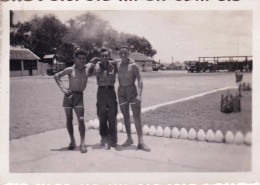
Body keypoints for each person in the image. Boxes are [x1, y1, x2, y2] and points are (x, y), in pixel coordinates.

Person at [96, 46, 151, 152]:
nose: (123, 55)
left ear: (129, 53)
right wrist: (98, 63)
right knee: (126, 116)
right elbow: (102, 60)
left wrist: (139, 94)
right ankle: (129, 138)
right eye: (121, 53)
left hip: (132, 92)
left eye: (125, 53)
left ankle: (141, 141)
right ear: (119, 54)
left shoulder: (133, 65)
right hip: (121, 93)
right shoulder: (117, 63)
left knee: (136, 116)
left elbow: (140, 80)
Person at [54, 49, 95, 153]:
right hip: (68, 96)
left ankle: (83, 143)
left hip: (79, 97)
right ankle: (72, 141)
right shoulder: (70, 70)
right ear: (75, 59)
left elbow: (95, 60)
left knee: (81, 119)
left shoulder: (87, 67)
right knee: (69, 120)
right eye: (79, 58)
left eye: (84, 58)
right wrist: (62, 88)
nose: (82, 60)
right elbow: (56, 76)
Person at [90, 48, 118, 150]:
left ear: (109, 56)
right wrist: (95, 62)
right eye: (103, 56)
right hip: (101, 91)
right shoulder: (97, 66)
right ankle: (104, 138)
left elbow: (130, 61)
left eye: (106, 55)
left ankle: (113, 139)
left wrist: (114, 60)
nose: (105, 57)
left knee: (112, 115)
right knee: (102, 115)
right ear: (100, 57)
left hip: (111, 91)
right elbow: (87, 68)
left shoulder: (114, 65)